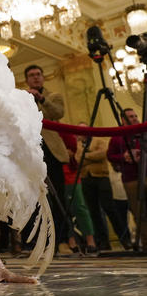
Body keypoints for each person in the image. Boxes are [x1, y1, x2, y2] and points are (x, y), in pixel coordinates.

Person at [24, 64, 69, 250]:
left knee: (58, 197)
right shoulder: (22, 98)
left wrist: (41, 99)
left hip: (52, 153)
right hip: (31, 152)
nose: (35, 77)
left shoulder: (53, 96)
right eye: (31, 75)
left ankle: (63, 240)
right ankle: (36, 242)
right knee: (33, 197)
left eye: (38, 74)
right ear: (26, 80)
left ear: (43, 77)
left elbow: (57, 113)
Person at [76, 122, 129, 252]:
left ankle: (124, 239)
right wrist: (90, 156)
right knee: (93, 211)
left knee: (109, 208)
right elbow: (77, 159)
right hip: (86, 179)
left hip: (101, 177)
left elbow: (102, 154)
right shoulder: (77, 144)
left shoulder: (99, 140)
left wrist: (85, 156)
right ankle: (103, 241)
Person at [108, 108, 147, 251]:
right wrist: (124, 157)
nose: (135, 118)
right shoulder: (117, 137)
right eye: (131, 116)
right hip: (130, 179)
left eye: (136, 115)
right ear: (123, 120)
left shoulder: (143, 131)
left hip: (145, 174)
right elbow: (110, 156)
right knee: (139, 213)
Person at [59, 130, 98, 255]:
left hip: (70, 176)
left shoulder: (66, 133)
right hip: (57, 176)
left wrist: (64, 154)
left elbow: (75, 154)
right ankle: (71, 242)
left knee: (80, 207)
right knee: (63, 211)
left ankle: (90, 241)